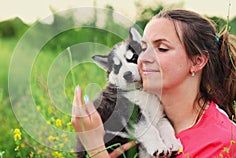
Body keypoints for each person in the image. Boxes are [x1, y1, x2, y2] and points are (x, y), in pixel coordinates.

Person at [71, 8, 236, 158]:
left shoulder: (220, 142)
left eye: (162, 48)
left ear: (197, 61)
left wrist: (96, 150)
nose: (143, 59)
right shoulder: (135, 115)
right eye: (143, 48)